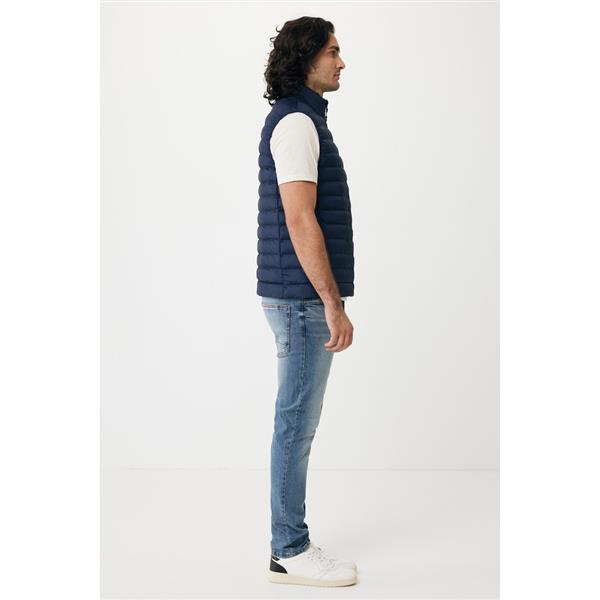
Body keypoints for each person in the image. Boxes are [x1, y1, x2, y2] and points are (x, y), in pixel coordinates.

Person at [256, 16, 358, 587]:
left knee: (296, 423)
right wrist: (332, 303)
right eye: (332, 52)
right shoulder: (296, 123)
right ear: (306, 58)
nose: (341, 63)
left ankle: (288, 543)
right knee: (295, 425)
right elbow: (300, 219)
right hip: (300, 300)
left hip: (297, 297)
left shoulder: (304, 118)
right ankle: (289, 549)